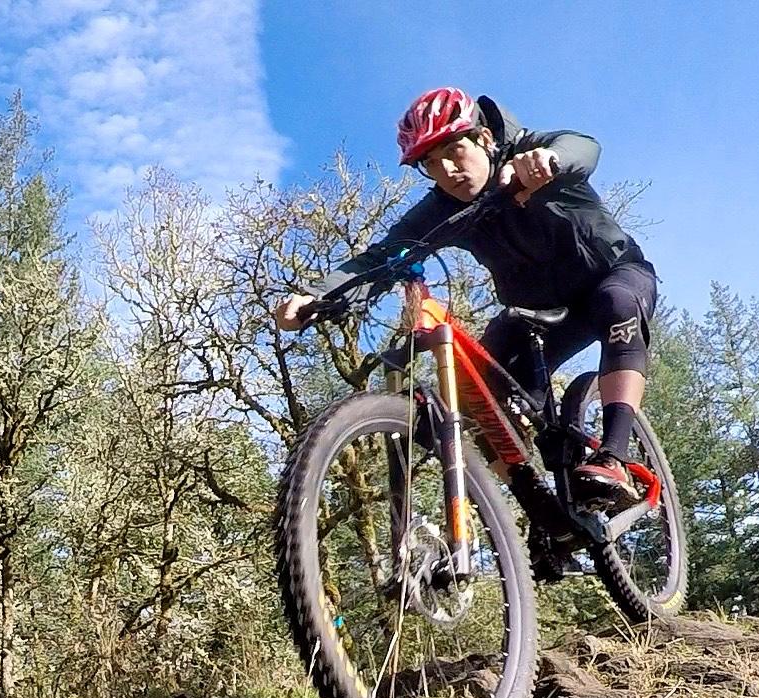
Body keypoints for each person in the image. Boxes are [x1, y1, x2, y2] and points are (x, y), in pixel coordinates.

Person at [272, 86, 658, 509]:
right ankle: (539, 508)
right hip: (538, 312)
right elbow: (382, 255)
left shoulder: (531, 153)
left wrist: (549, 161)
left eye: (454, 152)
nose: (447, 171)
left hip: (612, 275)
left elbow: (583, 147)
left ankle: (614, 456)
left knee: (616, 303)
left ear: (485, 140)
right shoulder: (443, 207)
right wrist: (316, 296)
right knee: (472, 384)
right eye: (431, 165)